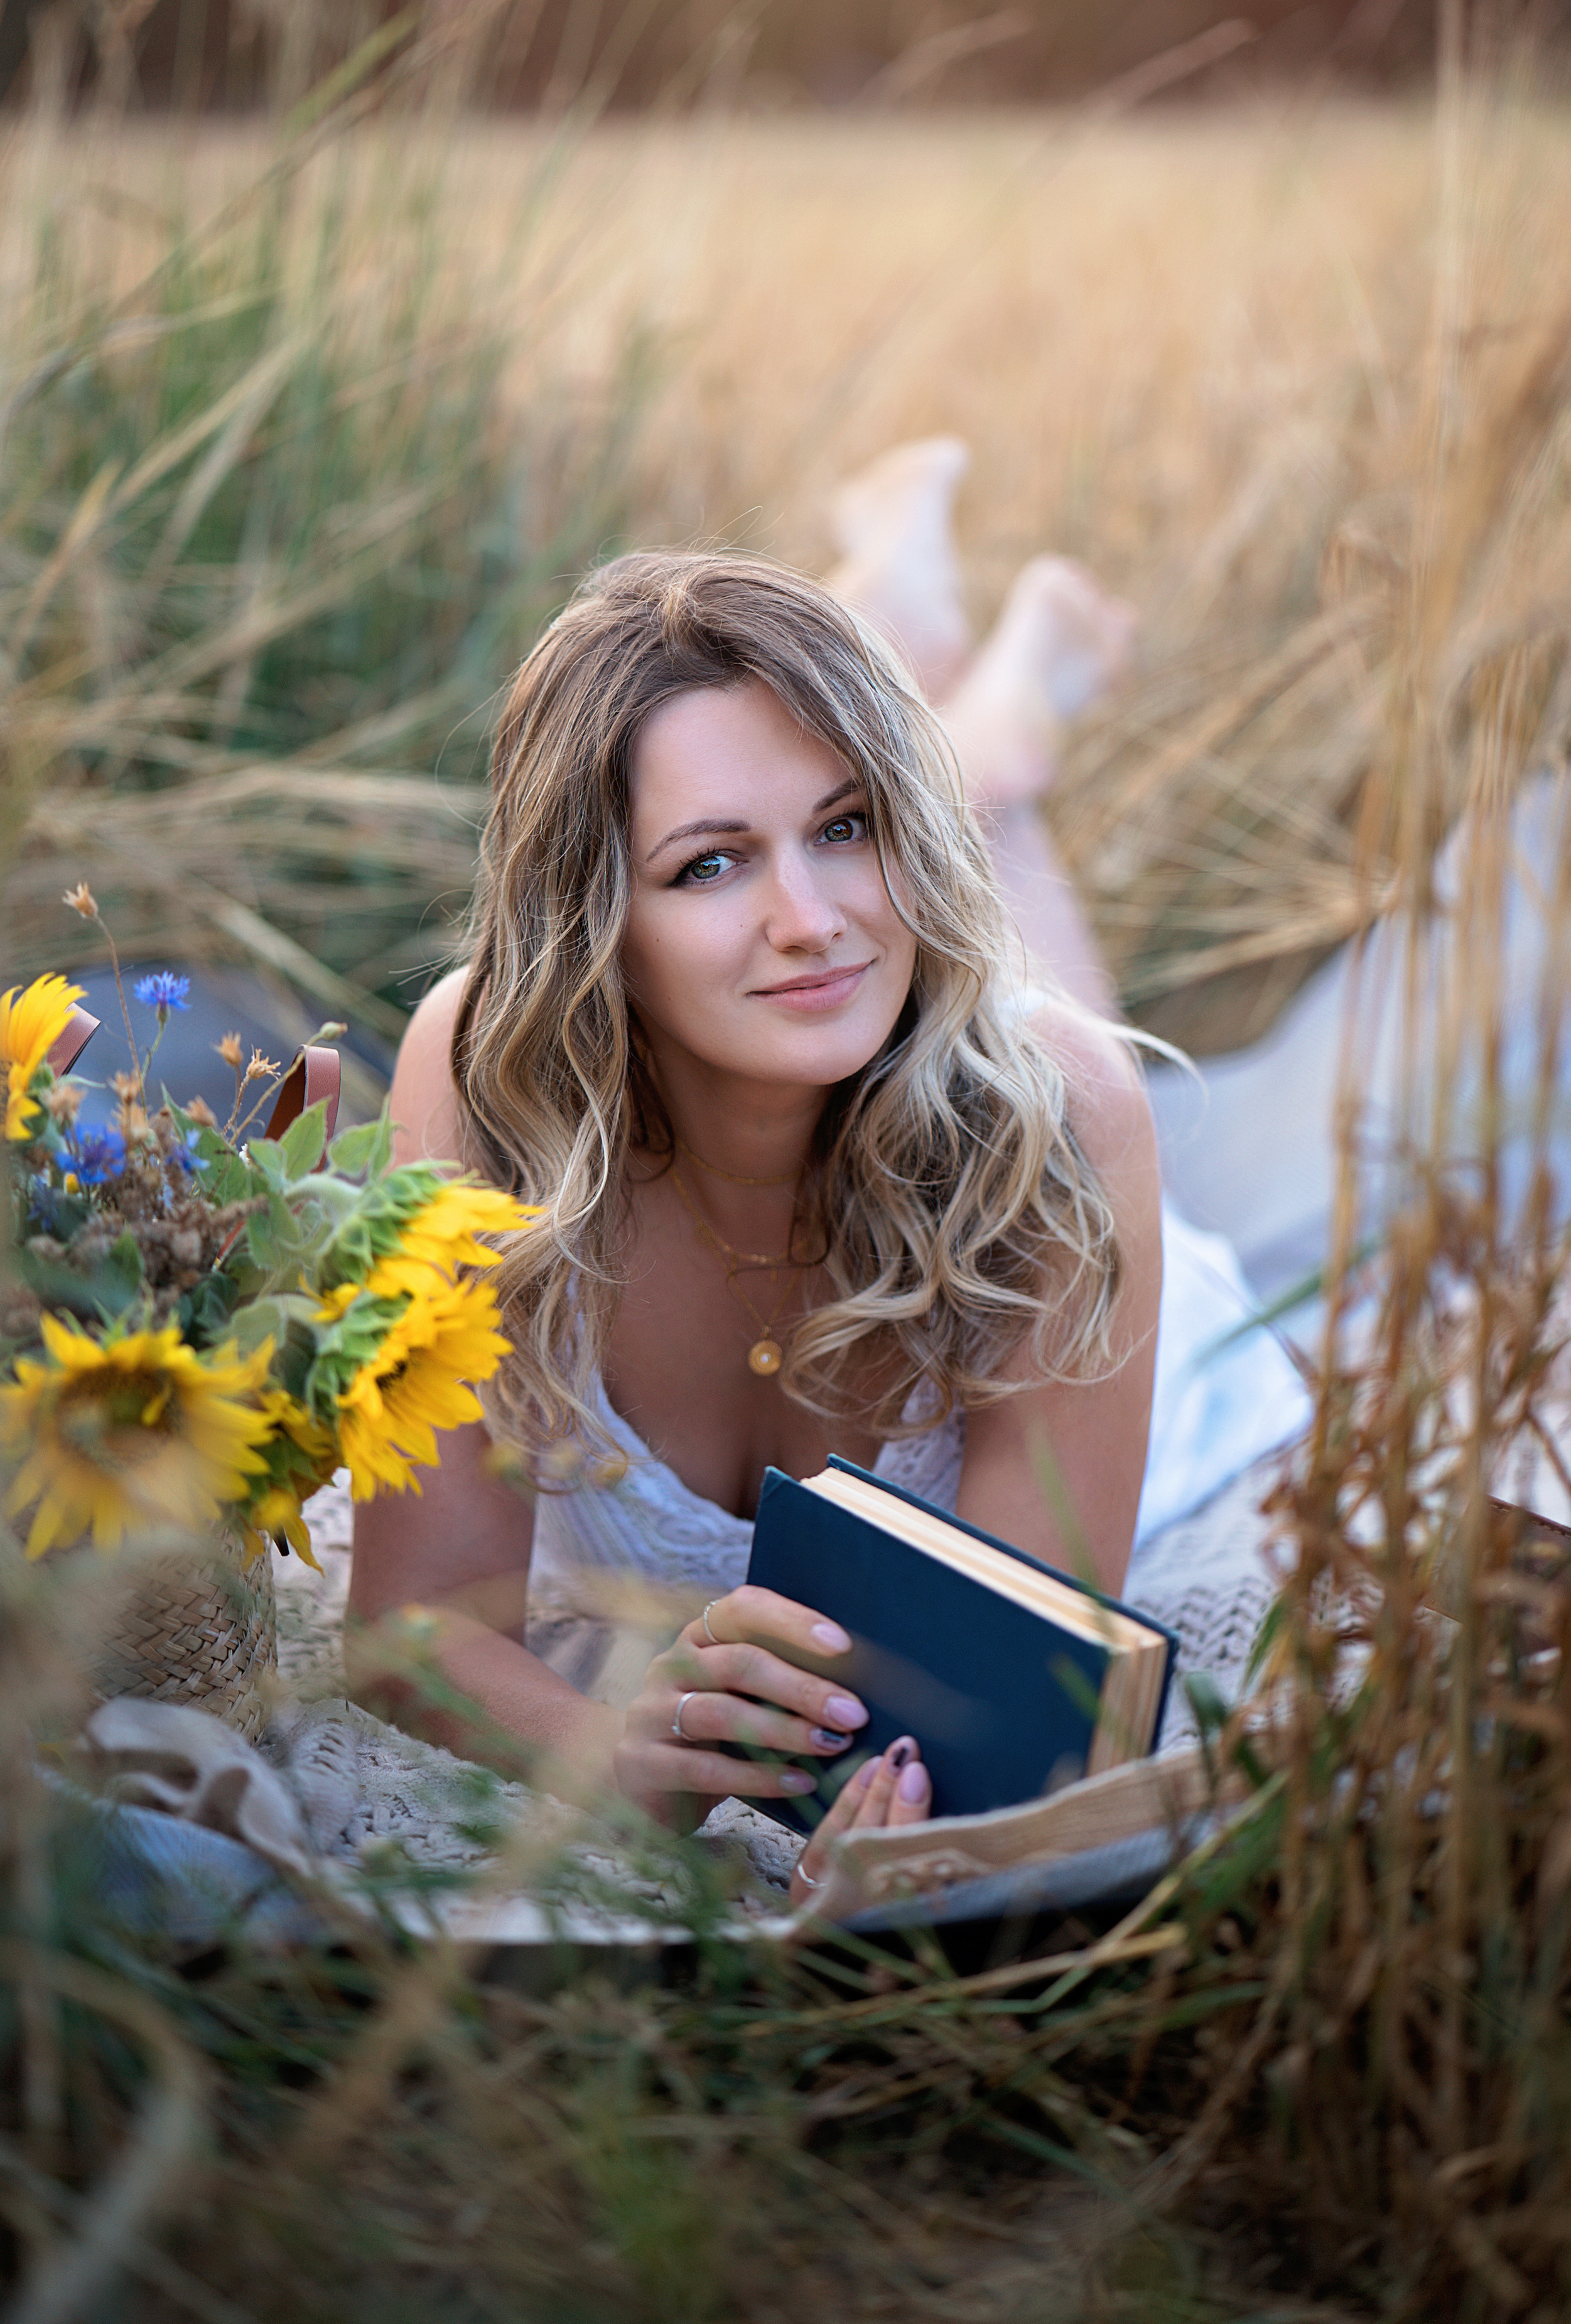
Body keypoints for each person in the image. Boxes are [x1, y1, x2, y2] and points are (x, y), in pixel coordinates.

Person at [349, 479, 1310, 1902]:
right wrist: (613, 1756)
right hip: (939, 1072)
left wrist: (922, 1829)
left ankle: (986, 759)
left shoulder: (1063, 1120)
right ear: (593, 919)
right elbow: (410, 1627)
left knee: (1054, 1054)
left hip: (1119, 1321)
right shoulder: (482, 1074)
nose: (808, 920)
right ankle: (965, 709)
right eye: (710, 863)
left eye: (849, 824)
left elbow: (1019, 1705)